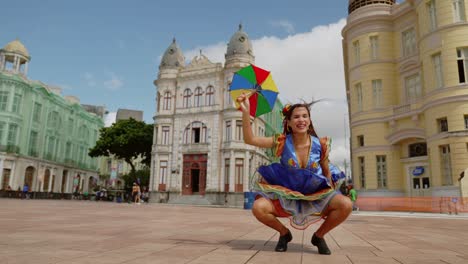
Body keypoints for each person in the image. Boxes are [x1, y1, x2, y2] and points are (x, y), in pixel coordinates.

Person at [237, 94, 352, 254]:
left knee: (346, 205)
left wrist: (331, 196)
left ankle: (319, 236)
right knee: (258, 208)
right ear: (289, 123)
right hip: (287, 195)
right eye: (296, 117)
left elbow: (326, 172)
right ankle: (284, 234)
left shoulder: (321, 145)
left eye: (305, 116)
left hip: (314, 194)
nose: (301, 120)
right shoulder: (281, 141)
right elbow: (250, 139)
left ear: (309, 121)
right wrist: (246, 112)